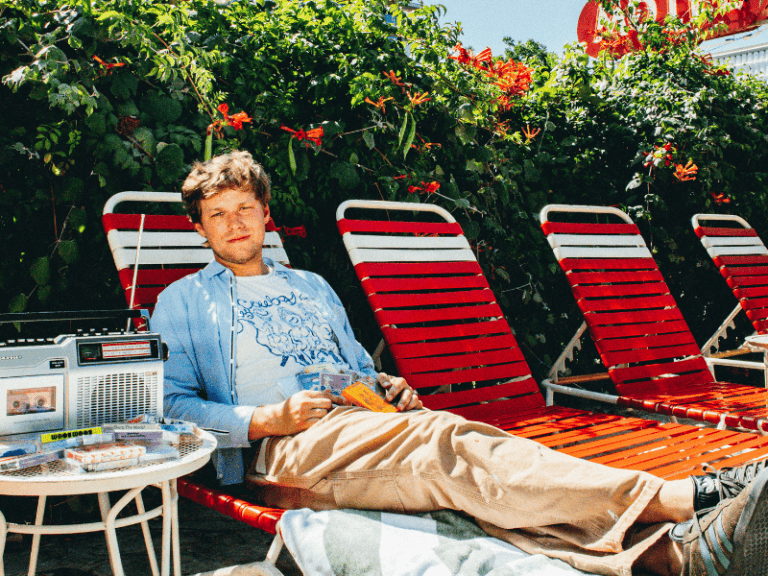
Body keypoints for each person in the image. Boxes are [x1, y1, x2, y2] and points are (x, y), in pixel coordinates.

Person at [152, 150, 768, 576]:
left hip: (360, 422)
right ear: (202, 229)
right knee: (449, 444)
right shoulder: (182, 301)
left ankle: (667, 555)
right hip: (283, 447)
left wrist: (382, 386)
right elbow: (173, 406)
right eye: (218, 215)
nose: (234, 224)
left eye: (244, 209)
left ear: (265, 213)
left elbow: (347, 370)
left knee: (464, 483)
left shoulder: (311, 286)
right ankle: (690, 498)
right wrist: (265, 418)